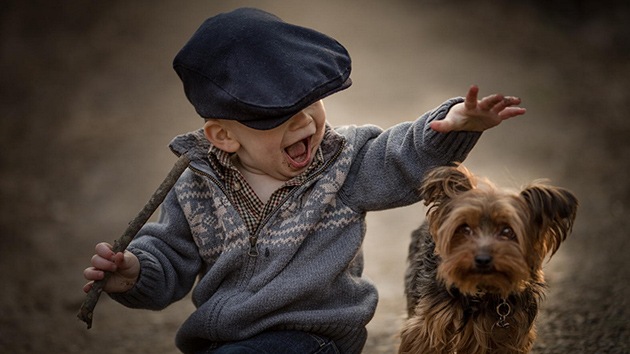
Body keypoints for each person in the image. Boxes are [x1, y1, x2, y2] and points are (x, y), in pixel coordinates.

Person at [82, 7, 526, 354]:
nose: (304, 123)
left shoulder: (344, 164)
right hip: (223, 341)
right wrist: (134, 273)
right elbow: (170, 257)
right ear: (223, 135)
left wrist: (454, 125)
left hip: (313, 339)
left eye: (311, 103)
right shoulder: (196, 184)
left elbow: (400, 157)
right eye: (277, 117)